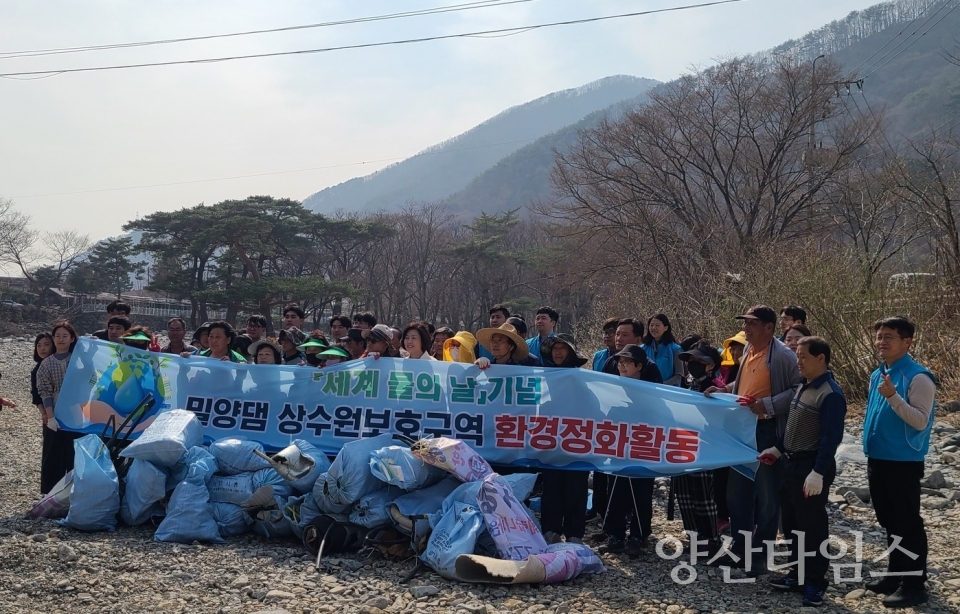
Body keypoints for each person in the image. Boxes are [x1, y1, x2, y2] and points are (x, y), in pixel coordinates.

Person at [704, 305, 801, 574]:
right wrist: (725, 389)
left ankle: (758, 556)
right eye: (745, 323)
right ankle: (739, 548)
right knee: (738, 493)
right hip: (743, 429)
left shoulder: (782, 356)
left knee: (767, 496)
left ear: (769, 328)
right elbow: (744, 385)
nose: (745, 329)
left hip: (768, 430)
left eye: (751, 324)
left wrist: (768, 404)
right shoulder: (748, 350)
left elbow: (798, 390)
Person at [760, 336, 846, 607]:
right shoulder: (802, 386)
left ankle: (816, 583)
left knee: (813, 527)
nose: (798, 362)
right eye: (797, 356)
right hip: (791, 464)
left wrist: (818, 472)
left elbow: (831, 438)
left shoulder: (830, 394)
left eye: (803, 357)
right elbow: (794, 427)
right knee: (793, 524)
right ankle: (797, 574)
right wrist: (778, 448)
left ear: (821, 358)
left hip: (811, 467)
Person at [861, 316, 935, 608]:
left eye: (889, 336)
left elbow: (920, 420)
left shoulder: (918, 377)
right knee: (889, 521)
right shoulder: (878, 373)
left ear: (907, 341)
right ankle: (895, 574)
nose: (882, 342)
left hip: (903, 461)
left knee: (908, 523)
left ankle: (915, 584)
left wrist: (893, 397)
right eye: (879, 336)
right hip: (877, 457)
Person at [598, 344, 661, 556]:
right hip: (618, 446)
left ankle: (639, 535)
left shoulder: (652, 390)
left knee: (641, 492)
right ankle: (615, 535)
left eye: (627, 362)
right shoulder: (613, 388)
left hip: (643, 446)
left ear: (640, 366)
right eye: (620, 362)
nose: (622, 367)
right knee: (616, 490)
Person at [539, 334, 590, 545]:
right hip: (551, 441)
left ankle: (574, 533)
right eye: (555, 349)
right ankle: (550, 530)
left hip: (577, 442)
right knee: (551, 487)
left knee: (576, 489)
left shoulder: (582, 379)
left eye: (563, 348)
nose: (558, 352)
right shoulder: (546, 377)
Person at [672, 342, 723, 552]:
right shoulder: (688, 385)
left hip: (705, 446)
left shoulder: (715, 385)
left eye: (699, 361)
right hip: (683, 443)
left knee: (703, 494)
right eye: (691, 360)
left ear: (710, 365)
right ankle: (693, 535)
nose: (693, 364)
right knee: (683, 493)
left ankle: (711, 537)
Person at [36, 321, 82, 494]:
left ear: (72, 339)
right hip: (55, 413)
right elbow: (45, 391)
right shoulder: (46, 364)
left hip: (78, 413)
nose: (61, 339)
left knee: (74, 454)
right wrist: (50, 416)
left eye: (65, 336)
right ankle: (51, 494)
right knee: (53, 456)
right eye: (57, 336)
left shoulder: (78, 360)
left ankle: (74, 492)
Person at [641, 313, 684, 386]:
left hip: (668, 391)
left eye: (657, 325)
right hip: (647, 389)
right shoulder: (642, 348)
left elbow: (679, 376)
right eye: (651, 325)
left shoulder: (675, 349)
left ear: (665, 328)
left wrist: (662, 385)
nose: (654, 328)